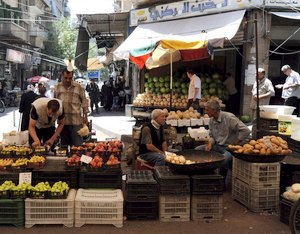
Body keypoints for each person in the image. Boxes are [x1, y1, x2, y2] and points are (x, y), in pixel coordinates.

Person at [195, 99, 250, 184]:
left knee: (223, 159)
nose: (205, 112)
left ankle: (221, 183)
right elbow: (212, 135)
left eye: (207, 110)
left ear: (214, 110)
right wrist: (210, 144)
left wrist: (237, 142)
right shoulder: (211, 120)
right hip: (218, 146)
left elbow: (246, 130)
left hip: (229, 148)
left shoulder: (229, 118)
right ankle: (204, 176)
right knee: (197, 150)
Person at [55, 68, 89, 146]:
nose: (68, 80)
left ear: (72, 77)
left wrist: (85, 116)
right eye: (66, 78)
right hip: (62, 122)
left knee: (78, 146)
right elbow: (55, 103)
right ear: (62, 76)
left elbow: (84, 101)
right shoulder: (57, 87)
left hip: (76, 121)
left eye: (70, 78)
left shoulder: (79, 87)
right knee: (64, 146)